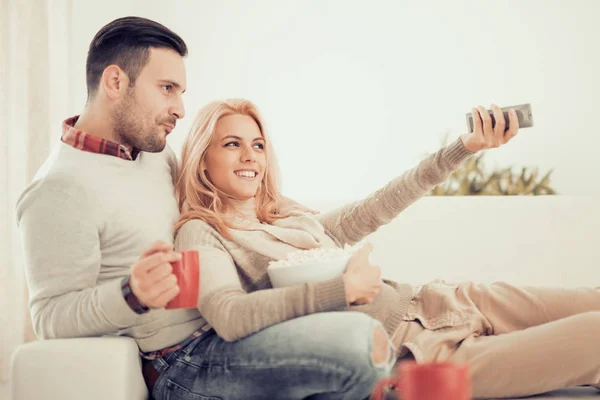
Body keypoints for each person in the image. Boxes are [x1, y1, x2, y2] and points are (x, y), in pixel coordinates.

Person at [16, 16, 392, 400]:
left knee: (377, 328)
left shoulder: (154, 156)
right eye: (167, 89)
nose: (179, 108)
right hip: (181, 361)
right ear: (115, 82)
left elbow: (219, 206)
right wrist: (132, 293)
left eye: (180, 92)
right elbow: (49, 319)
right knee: (359, 343)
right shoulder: (58, 190)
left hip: (225, 327)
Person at [173, 98, 600, 399]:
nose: (251, 156)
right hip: (416, 357)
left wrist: (463, 148)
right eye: (233, 144)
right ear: (202, 157)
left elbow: (379, 205)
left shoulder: (287, 216)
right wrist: (342, 288)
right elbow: (228, 317)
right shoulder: (201, 231)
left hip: (436, 301)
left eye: (258, 144)